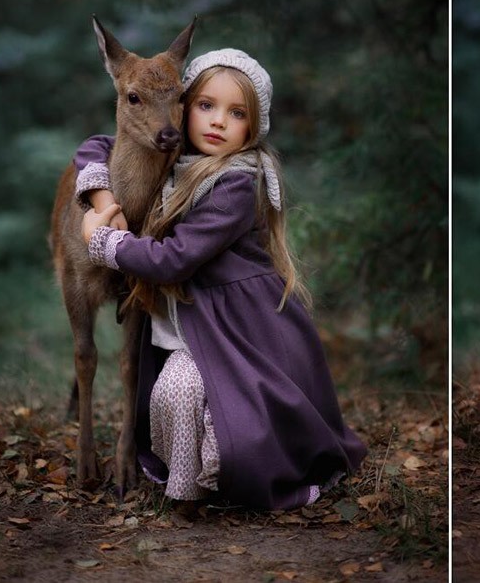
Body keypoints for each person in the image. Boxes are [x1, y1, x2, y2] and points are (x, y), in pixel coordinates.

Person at [75, 48, 366, 509]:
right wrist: (99, 193)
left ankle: (237, 473)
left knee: (245, 435)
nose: (217, 122)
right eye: (206, 106)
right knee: (174, 391)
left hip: (241, 331)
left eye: (236, 114)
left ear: (254, 127)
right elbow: (97, 144)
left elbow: (173, 261)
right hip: (197, 328)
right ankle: (187, 490)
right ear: (184, 108)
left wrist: (104, 242)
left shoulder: (235, 183)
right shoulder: (170, 151)